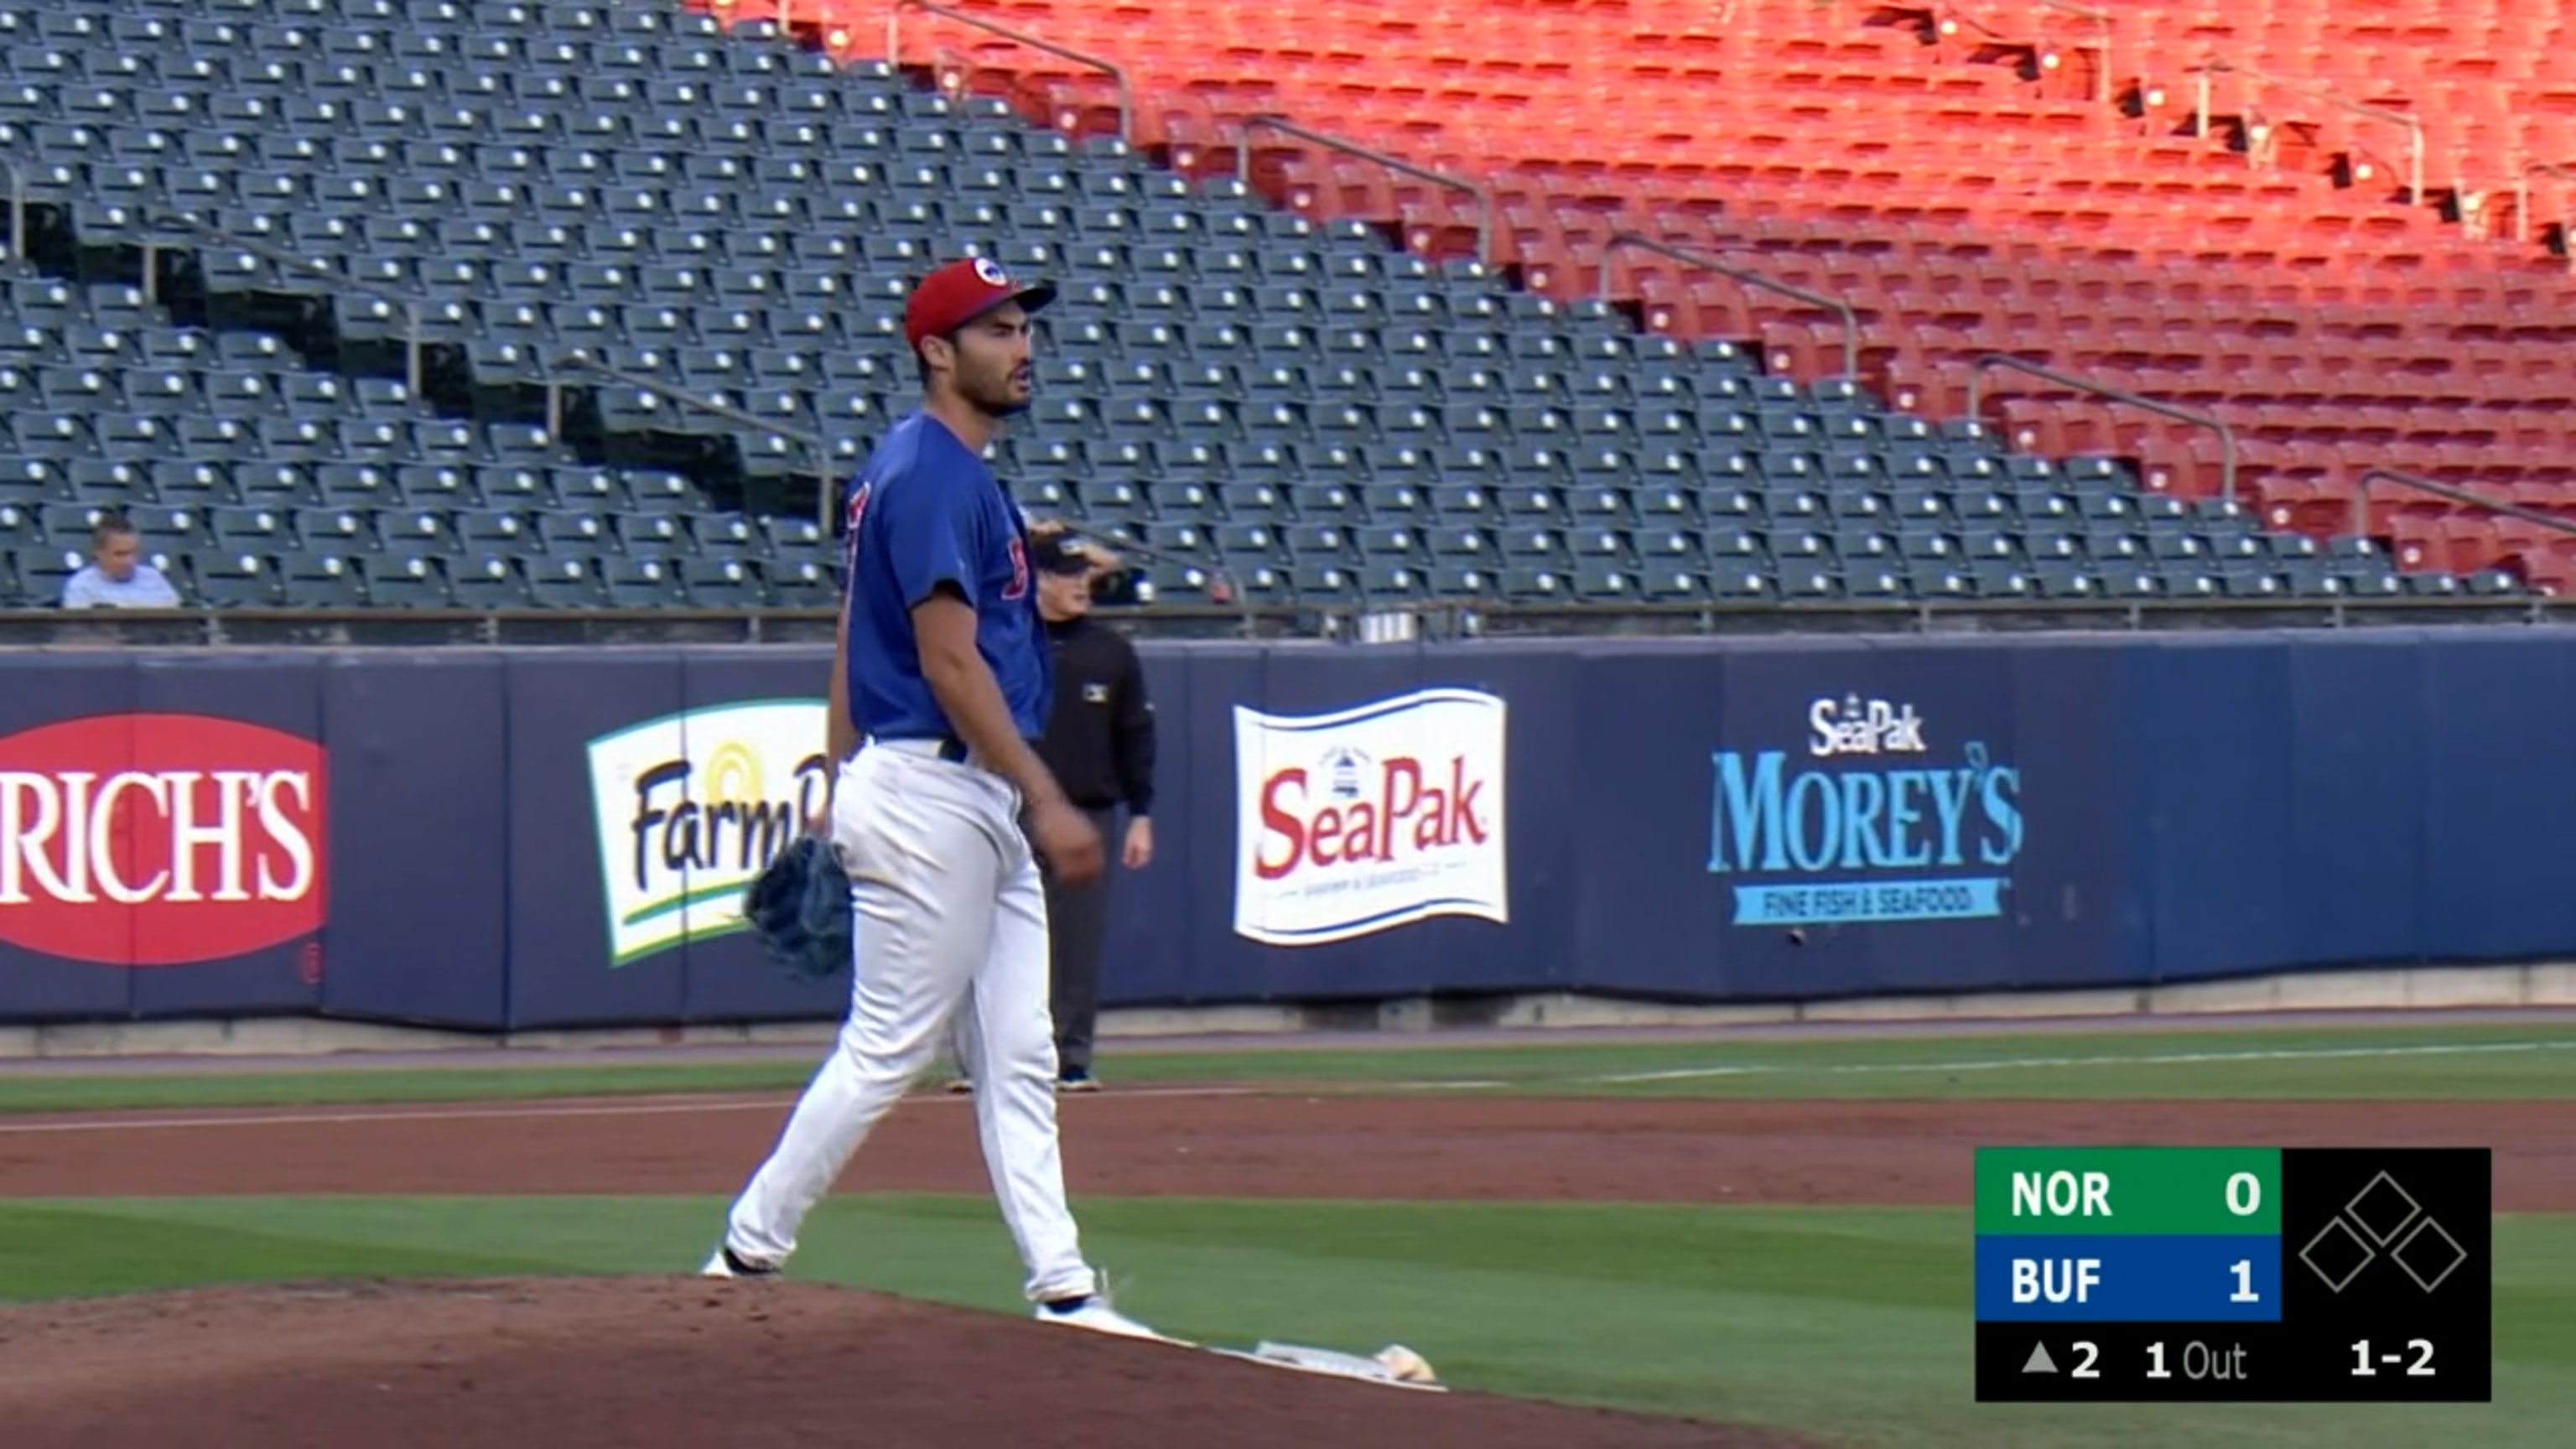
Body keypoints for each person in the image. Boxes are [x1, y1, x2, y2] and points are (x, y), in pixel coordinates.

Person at [699, 256, 1162, 1343]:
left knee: (1020, 1050)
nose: (1022, 346)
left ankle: (1064, 1286)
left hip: (952, 790)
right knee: (890, 1045)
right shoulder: (933, 478)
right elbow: (950, 663)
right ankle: (740, 1254)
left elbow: (857, 624)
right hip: (936, 786)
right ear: (937, 351)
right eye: (996, 330)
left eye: (1022, 328)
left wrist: (831, 768)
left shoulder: (934, 472)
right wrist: (1046, 797)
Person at [948, 522, 1155, 1093]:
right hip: (1006, 809)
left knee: (1076, 947)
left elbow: (1136, 735)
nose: (1080, 583)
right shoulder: (1003, 639)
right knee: (986, 938)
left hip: (1087, 811)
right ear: (1034, 580)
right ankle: (978, 1059)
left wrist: (1141, 812)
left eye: (1083, 574)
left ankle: (1070, 1058)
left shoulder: (1111, 650)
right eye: (1066, 575)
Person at [60, 517, 181, 610]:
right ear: (99, 553)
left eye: (133, 553)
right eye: (120, 554)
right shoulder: (82, 587)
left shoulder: (154, 579)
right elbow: (78, 633)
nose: (129, 561)